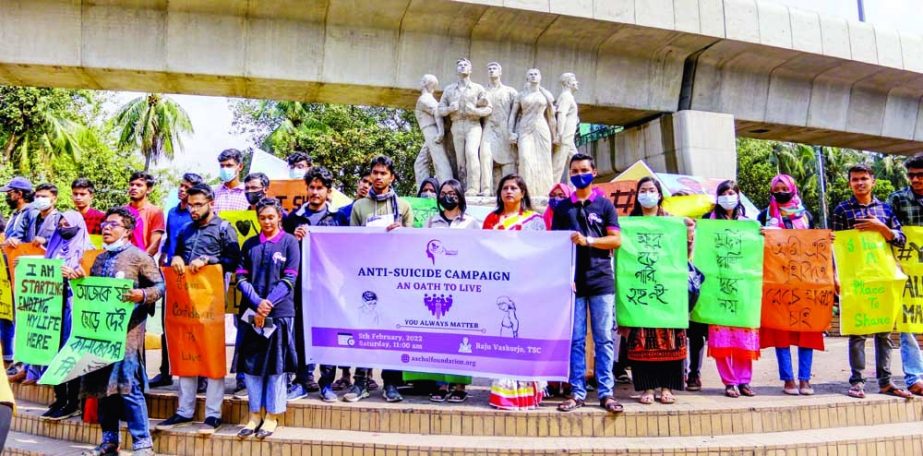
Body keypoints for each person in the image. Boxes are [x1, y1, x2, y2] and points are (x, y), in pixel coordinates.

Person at [157, 184, 240, 435]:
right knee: (186, 351)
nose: (193, 209)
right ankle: (184, 410)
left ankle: (213, 413)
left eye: (198, 205)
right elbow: (174, 256)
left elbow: (234, 261)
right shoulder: (184, 229)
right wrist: (178, 259)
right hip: (184, 302)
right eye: (190, 205)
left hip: (212, 302)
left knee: (211, 353)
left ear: (210, 203)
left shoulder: (225, 229)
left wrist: (210, 260)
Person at [81, 207, 164, 456]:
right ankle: (109, 442)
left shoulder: (139, 257)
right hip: (101, 336)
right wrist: (78, 279)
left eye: (113, 224)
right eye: (105, 224)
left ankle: (142, 443)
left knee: (129, 389)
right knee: (103, 389)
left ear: (127, 231)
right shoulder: (99, 259)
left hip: (128, 335)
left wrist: (143, 295)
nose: (106, 228)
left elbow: (160, 286)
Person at [832, 164, 912, 399]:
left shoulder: (885, 209)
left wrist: (882, 229)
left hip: (882, 277)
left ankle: (886, 381)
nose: (860, 183)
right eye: (855, 179)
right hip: (856, 278)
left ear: (873, 182)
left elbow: (900, 239)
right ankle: (857, 382)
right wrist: (835, 274)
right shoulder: (842, 210)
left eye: (864, 179)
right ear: (850, 183)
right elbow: (835, 246)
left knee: (884, 332)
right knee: (858, 332)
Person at [551, 154, 623, 414]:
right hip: (573, 284)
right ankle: (577, 392)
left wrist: (589, 241)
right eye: (574, 170)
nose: (578, 174)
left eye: (583, 170)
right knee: (576, 339)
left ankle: (606, 392)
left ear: (594, 172)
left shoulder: (604, 205)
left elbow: (616, 241)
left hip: (601, 281)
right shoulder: (562, 209)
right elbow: (554, 246)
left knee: (604, 339)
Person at [348, 155, 413, 403]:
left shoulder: (404, 207)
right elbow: (350, 243)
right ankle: (360, 382)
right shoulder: (359, 207)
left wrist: (403, 233)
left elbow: (412, 245)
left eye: (383, 173)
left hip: (393, 279)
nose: (378, 177)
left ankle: (391, 383)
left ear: (392, 177)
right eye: (374, 172)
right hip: (365, 278)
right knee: (363, 328)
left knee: (392, 330)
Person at [235, 198, 300, 439]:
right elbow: (241, 278)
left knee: (276, 365)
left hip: (281, 313)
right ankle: (254, 415)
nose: (267, 221)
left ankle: (272, 416)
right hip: (252, 314)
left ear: (279, 217)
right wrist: (257, 303)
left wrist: (269, 303)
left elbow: (290, 279)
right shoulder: (250, 244)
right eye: (263, 217)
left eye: (271, 217)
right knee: (251, 364)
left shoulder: (290, 243)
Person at [621, 177, 690, 404]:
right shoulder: (629, 224)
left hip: (667, 292)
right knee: (640, 339)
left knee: (671, 339)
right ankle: (646, 387)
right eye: (643, 190)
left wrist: (690, 233)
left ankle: (667, 387)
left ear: (660, 194)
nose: (647, 194)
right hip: (640, 291)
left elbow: (686, 254)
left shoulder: (672, 223)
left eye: (652, 190)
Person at [409, 179, 478, 402]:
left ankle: (459, 385)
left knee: (462, 336)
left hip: (463, 287)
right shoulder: (431, 222)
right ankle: (439, 384)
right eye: (444, 193)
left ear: (460, 196)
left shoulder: (471, 223)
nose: (448, 197)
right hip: (436, 286)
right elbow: (418, 249)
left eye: (452, 193)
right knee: (438, 335)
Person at [757, 174, 825, 396]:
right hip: (777, 281)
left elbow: (817, 246)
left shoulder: (807, 216)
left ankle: (805, 379)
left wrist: (826, 242)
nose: (779, 191)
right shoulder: (763, 216)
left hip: (805, 281)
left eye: (783, 187)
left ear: (792, 188)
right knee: (781, 332)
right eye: (775, 188)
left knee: (807, 330)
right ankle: (788, 380)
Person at [483, 174, 546, 410]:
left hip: (527, 285)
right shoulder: (491, 219)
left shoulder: (535, 221)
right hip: (499, 286)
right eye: (505, 188)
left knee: (523, 334)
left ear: (522, 193)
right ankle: (504, 393)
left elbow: (542, 254)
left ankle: (528, 394)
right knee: (503, 335)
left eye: (514, 188)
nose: (509, 191)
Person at [282, 167, 345, 402]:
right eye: (312, 187)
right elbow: (285, 248)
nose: (315, 192)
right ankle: (301, 380)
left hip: (328, 288)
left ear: (328, 192)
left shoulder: (339, 219)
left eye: (320, 188)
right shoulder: (293, 219)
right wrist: (293, 238)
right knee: (300, 333)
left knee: (328, 334)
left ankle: (326, 383)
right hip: (300, 287)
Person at [31, 212, 95, 421]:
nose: (63, 227)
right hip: (52, 306)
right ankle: (59, 398)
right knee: (52, 351)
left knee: (69, 352)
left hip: (73, 307)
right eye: (61, 224)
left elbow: (93, 278)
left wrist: (77, 274)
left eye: (68, 224)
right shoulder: (54, 247)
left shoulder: (89, 250)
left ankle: (72, 401)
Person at [703, 180, 761, 398]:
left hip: (742, 288)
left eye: (732, 193)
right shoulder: (708, 223)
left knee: (743, 336)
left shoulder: (749, 225)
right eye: (724, 193)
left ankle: (744, 380)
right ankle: (729, 381)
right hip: (717, 288)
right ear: (717, 197)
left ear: (738, 196)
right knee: (722, 338)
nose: (728, 197)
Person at [149, 172, 204, 389]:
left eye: (187, 187)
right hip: (171, 273)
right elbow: (169, 240)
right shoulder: (172, 212)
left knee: (193, 326)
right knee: (167, 323)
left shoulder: (196, 215)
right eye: (181, 185)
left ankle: (198, 374)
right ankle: (165, 371)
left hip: (193, 275)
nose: (182, 190)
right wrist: (163, 255)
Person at [888, 154, 923, 397]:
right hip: (908, 272)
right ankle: (914, 377)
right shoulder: (897, 199)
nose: (915, 179)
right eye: (911, 175)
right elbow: (890, 233)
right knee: (908, 324)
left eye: (920, 175)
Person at [0, 177, 38, 379]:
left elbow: (32, 244)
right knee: (11, 317)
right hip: (9, 274)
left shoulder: (31, 213)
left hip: (23, 272)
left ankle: (23, 363)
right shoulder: (16, 214)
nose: (7, 196)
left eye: (9, 192)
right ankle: (13, 361)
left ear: (19, 194)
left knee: (23, 318)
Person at [127, 171, 165, 256]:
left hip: (142, 262)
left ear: (148, 190)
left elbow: (154, 245)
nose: (133, 187)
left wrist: (141, 262)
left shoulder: (156, 212)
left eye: (139, 185)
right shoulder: (121, 211)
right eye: (131, 184)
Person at [214, 148, 250, 213]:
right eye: (222, 166)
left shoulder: (248, 192)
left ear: (240, 166)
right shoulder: (214, 192)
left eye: (229, 165)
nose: (224, 169)